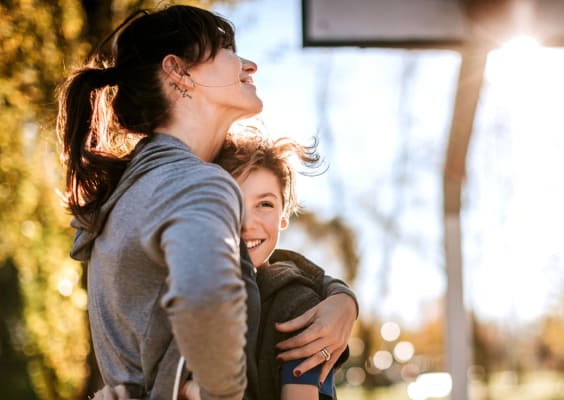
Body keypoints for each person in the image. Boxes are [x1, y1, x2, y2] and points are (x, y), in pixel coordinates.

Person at [57, 5, 357, 399]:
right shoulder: (197, 183)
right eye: (228, 51)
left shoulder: (130, 190)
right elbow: (204, 301)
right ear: (179, 72)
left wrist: (339, 297)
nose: (249, 66)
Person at [214, 132, 348, 400]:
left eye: (265, 204)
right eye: (232, 202)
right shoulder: (180, 289)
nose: (247, 222)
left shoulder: (296, 304)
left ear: (283, 216)